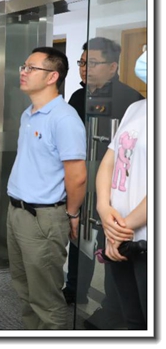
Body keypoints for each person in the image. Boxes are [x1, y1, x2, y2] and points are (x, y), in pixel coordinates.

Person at [64, 38, 143, 328]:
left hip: (118, 196)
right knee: (77, 236)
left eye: (92, 63)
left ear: (112, 67)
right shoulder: (78, 97)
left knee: (107, 247)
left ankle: (112, 308)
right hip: (84, 183)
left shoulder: (129, 99)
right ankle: (75, 288)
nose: (85, 68)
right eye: (82, 62)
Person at [6, 47, 87, 329]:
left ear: (53, 76)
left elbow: (77, 176)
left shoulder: (64, 118)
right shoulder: (28, 114)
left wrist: (72, 213)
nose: (23, 72)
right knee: (24, 287)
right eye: (24, 66)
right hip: (17, 211)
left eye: (31, 68)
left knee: (46, 298)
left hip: (43, 218)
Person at [95, 50, 147, 330]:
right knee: (131, 319)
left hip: (144, 240)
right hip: (119, 235)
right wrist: (104, 209)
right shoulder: (137, 109)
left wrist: (119, 229)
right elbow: (109, 162)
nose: (144, 57)